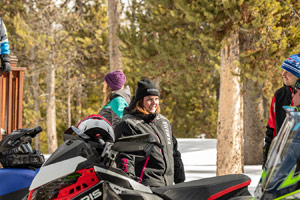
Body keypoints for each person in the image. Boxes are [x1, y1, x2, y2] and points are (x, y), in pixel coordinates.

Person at [114, 78, 185, 187]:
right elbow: (125, 157)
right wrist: (130, 185)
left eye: (156, 99)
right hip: (145, 186)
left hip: (167, 185)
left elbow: (174, 151)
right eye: (149, 99)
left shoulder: (163, 122)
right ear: (140, 101)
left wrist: (180, 179)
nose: (154, 103)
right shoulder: (129, 124)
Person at [263, 53, 300, 167]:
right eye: (283, 70)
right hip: (282, 162)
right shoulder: (279, 96)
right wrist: (266, 160)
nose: (283, 74)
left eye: (288, 71)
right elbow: (272, 128)